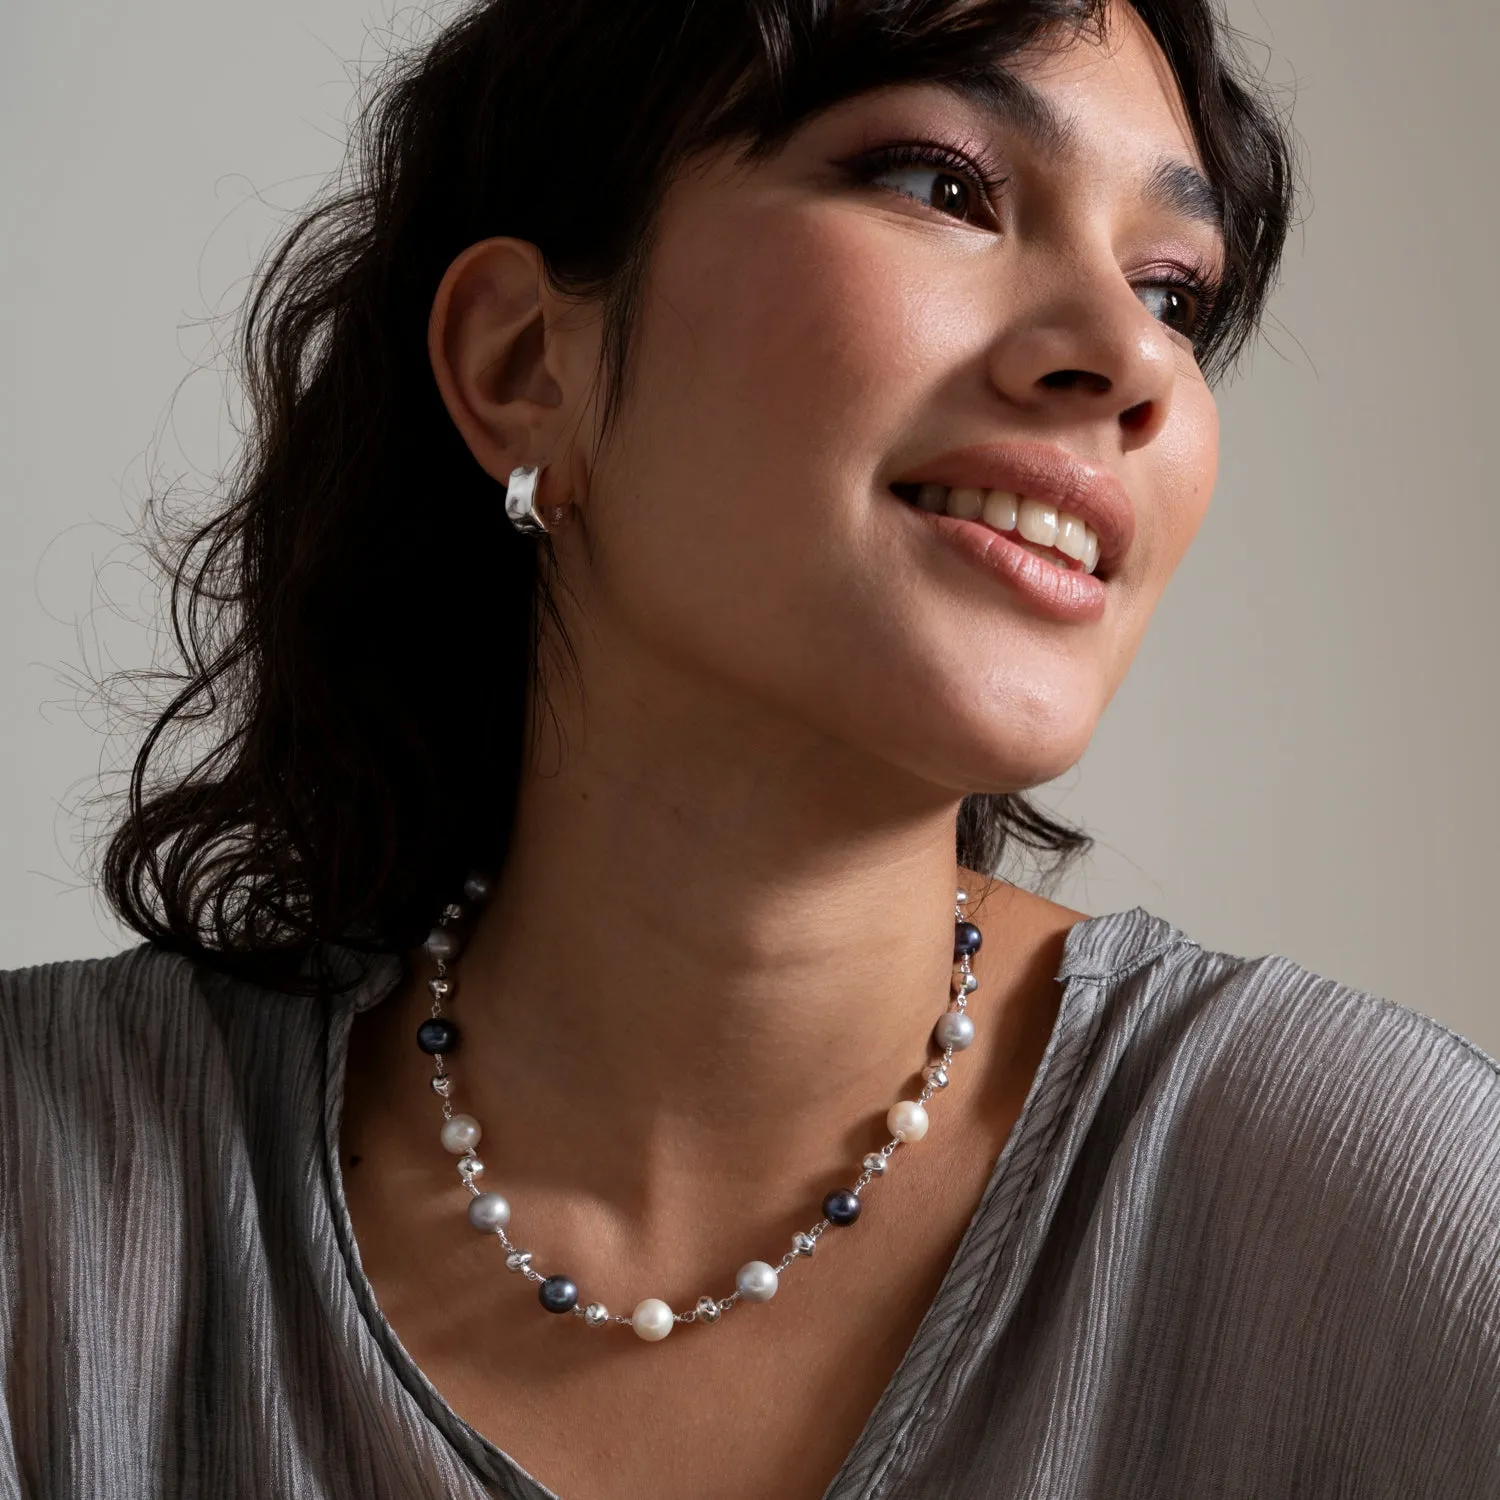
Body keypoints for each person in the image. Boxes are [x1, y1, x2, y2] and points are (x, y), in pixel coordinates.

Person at [3, 0, 1497, 1496]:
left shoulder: (1376, 1209)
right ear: (525, 364)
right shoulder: (48, 1204)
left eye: (1172, 291)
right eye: (942, 185)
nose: (1130, 358)